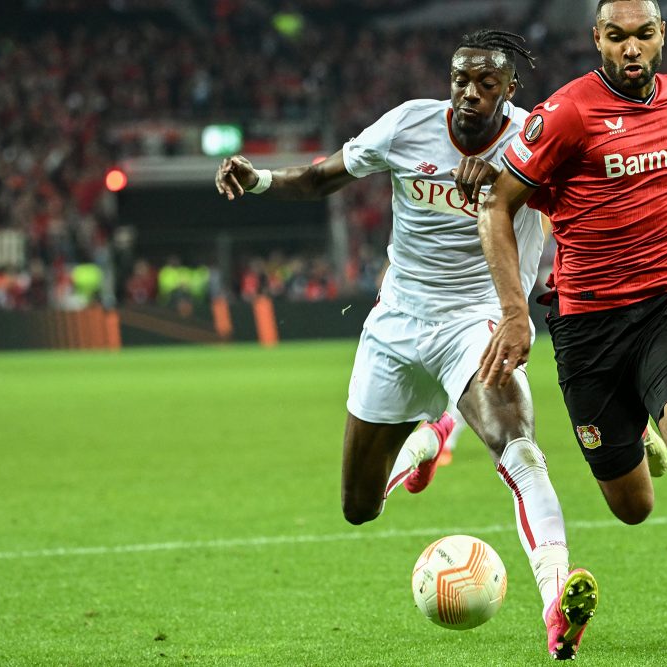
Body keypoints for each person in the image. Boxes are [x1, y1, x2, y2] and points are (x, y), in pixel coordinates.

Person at [214, 30, 598, 660]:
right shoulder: (407, 125)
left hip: (476, 322)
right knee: (358, 508)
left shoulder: (537, 138)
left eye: (485, 83)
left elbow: (588, 203)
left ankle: (557, 606)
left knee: (520, 451)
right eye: (460, 80)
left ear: (510, 89)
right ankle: (429, 441)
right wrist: (258, 181)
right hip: (397, 323)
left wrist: (505, 186)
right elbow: (320, 179)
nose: (469, 94)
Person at [476, 3, 667, 666]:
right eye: (617, 36)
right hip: (588, 324)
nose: (632, 48)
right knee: (631, 505)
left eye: (644, 34)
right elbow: (497, 201)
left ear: (663, 36)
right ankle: (642, 427)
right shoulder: (566, 114)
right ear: (596, 37)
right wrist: (515, 311)